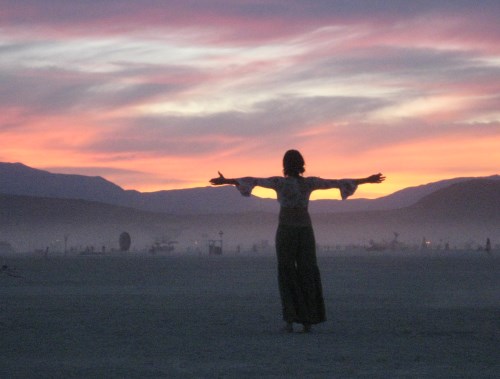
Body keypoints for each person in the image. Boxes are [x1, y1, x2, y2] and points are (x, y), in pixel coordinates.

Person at [210, 149, 385, 333]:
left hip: (286, 231)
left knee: (287, 273)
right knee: (307, 272)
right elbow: (337, 183)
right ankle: (308, 321)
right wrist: (367, 180)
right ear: (302, 165)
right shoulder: (309, 183)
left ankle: (290, 321)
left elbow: (252, 180)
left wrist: (227, 181)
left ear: (285, 166)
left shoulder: (280, 182)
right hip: (304, 231)